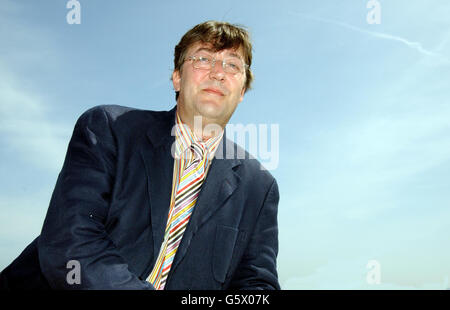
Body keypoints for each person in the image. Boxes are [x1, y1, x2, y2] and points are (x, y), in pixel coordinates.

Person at [0, 20, 280, 290]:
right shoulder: (110, 129)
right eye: (203, 59)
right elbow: (71, 241)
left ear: (242, 90)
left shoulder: (260, 186)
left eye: (232, 65)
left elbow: (255, 283)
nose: (218, 73)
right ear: (177, 78)